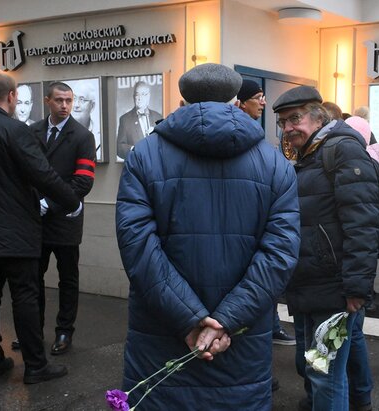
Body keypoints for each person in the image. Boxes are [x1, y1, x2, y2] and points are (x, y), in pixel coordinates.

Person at [115, 63, 300, 410]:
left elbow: (137, 246)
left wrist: (190, 320)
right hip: (240, 340)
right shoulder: (274, 163)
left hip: (163, 334)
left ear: (183, 98)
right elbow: (280, 253)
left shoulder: (144, 155)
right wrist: (226, 321)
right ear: (234, 99)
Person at [0, 73, 82, 384]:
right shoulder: (15, 130)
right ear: (11, 96)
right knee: (25, 296)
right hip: (16, 231)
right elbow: (43, 174)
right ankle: (35, 366)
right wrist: (71, 201)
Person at [273, 85, 378, 411]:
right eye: (283, 122)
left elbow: (362, 224)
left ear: (318, 117)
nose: (288, 128)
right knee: (316, 368)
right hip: (311, 285)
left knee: (326, 375)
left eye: (295, 118)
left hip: (333, 289)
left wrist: (356, 287)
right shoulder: (311, 153)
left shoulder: (342, 150)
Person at [26, 81, 95, 355]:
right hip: (35, 220)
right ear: (47, 101)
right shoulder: (32, 132)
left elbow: (83, 183)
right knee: (33, 279)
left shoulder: (82, 136)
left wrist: (50, 203)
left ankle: (64, 331)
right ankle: (32, 331)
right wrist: (35, 202)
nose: (65, 105)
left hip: (65, 219)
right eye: (59, 100)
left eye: (69, 100)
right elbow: (24, 172)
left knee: (68, 279)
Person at [234, 79, 295, 347]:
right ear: (240, 103)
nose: (263, 102)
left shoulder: (256, 136)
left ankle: (271, 326)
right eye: (258, 97)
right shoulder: (240, 136)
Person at [116, 81, 163, 160]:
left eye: (143, 94)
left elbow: (164, 144)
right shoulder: (125, 119)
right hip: (136, 165)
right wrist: (133, 150)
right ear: (133, 97)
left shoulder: (158, 117)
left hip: (156, 164)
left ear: (148, 96)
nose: (140, 98)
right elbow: (119, 148)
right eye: (137, 95)